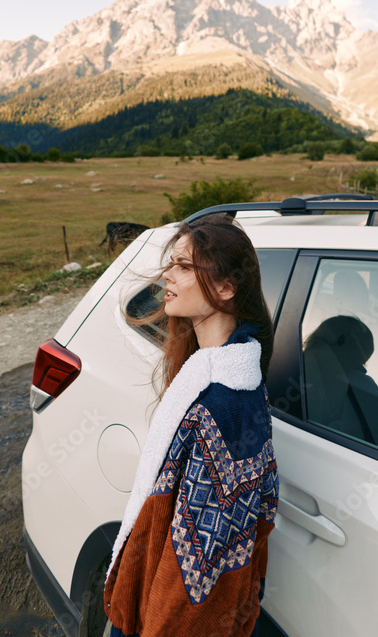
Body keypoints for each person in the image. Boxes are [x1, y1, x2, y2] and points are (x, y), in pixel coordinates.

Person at [102, 212, 279, 637]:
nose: (168, 275)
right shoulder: (215, 377)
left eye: (183, 266)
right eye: (171, 263)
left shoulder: (223, 405)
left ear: (225, 287)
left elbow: (196, 575)